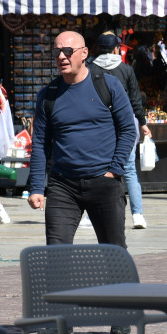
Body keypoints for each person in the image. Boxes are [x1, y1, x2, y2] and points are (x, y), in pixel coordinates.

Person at [27, 30, 135, 247]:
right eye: (57, 51)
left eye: (68, 51)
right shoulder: (48, 95)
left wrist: (113, 170)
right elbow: (39, 143)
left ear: (84, 53)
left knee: (114, 254)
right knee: (57, 253)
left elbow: (128, 130)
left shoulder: (109, 86)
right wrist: (37, 187)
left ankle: (119, 283)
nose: (61, 57)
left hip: (104, 182)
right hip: (63, 186)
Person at [91, 32, 150, 229]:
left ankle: (91, 216)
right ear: (116, 48)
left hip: (100, 124)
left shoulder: (91, 68)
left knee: (98, 168)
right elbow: (135, 99)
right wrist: (143, 122)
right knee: (130, 169)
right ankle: (138, 215)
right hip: (125, 123)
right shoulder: (126, 70)